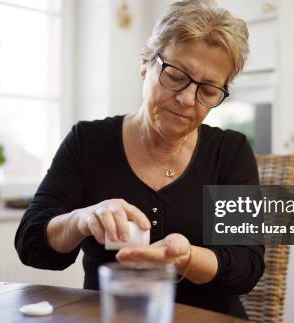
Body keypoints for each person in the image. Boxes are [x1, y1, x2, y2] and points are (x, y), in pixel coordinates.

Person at [14, 0, 264, 319]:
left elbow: (247, 266)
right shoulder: (88, 142)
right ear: (146, 63)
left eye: (209, 91)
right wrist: (81, 219)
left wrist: (185, 256)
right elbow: (31, 244)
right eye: (176, 75)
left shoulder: (230, 153)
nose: (188, 99)